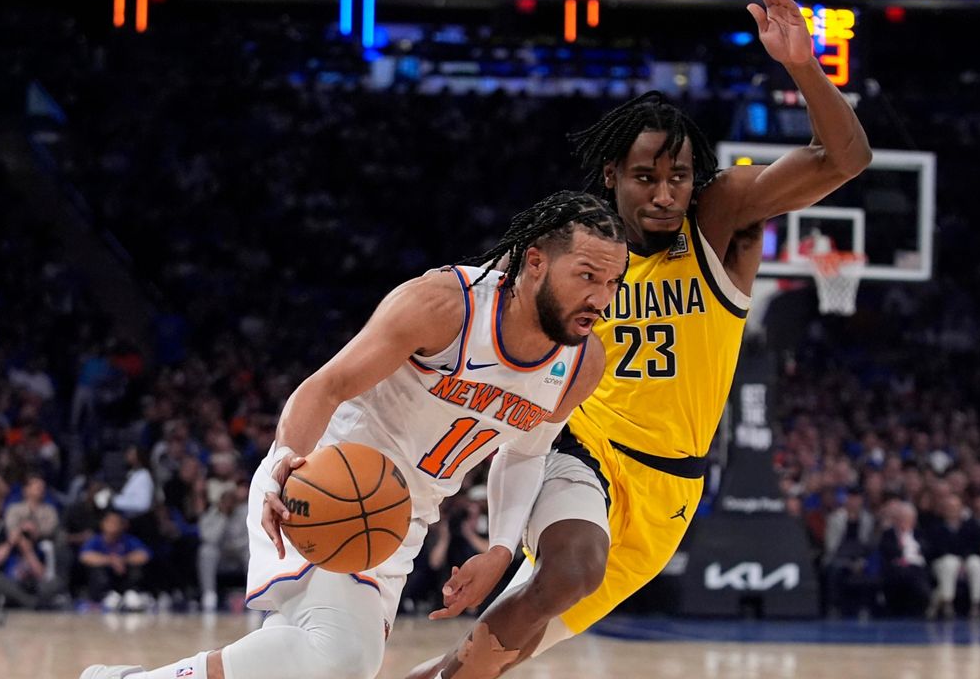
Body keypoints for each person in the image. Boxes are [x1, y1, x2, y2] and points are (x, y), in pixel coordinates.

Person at [407, 0, 871, 679]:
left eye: (678, 177)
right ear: (611, 175)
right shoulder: (571, 249)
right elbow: (474, 316)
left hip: (673, 491)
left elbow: (846, 160)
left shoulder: (722, 219)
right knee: (570, 571)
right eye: (645, 177)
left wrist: (803, 66)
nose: (664, 194)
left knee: (491, 659)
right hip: (582, 448)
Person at [80, 190, 628, 679]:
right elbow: (326, 386)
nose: (600, 298)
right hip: (325, 484)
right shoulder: (445, 305)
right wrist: (283, 466)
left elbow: (526, 454)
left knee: (325, 661)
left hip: (396, 524)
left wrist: (502, 549)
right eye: (586, 276)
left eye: (612, 283)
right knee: (340, 659)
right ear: (535, 262)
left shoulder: (582, 363)